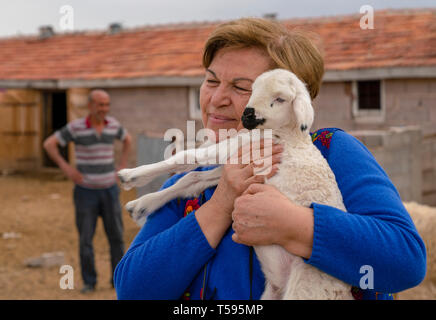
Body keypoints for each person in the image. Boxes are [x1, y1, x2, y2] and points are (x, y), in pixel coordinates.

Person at [113, 18, 426, 300]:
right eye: (211, 81)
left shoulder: (331, 151)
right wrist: (222, 203)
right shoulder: (188, 187)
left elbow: (406, 262)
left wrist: (296, 225)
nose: (216, 99)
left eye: (241, 88)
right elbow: (133, 290)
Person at [44, 89, 132, 293]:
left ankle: (116, 280)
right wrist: (66, 168)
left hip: (110, 190)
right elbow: (49, 144)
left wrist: (123, 164)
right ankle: (89, 282)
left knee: (117, 237)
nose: (104, 109)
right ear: (90, 106)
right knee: (86, 239)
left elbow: (127, 139)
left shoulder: (113, 125)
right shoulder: (76, 128)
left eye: (106, 105)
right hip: (85, 192)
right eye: (100, 105)